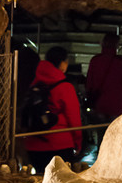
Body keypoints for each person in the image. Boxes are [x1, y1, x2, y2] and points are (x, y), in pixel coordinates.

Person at [24, 46, 82, 175]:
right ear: (62, 63)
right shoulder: (65, 87)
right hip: (59, 145)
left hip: (33, 146)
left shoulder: (35, 83)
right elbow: (73, 117)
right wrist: (77, 142)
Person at [86, 34, 122, 145]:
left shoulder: (95, 60)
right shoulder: (121, 62)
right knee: (116, 134)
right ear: (116, 45)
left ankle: (100, 154)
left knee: (101, 134)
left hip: (99, 104)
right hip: (117, 104)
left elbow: (89, 83)